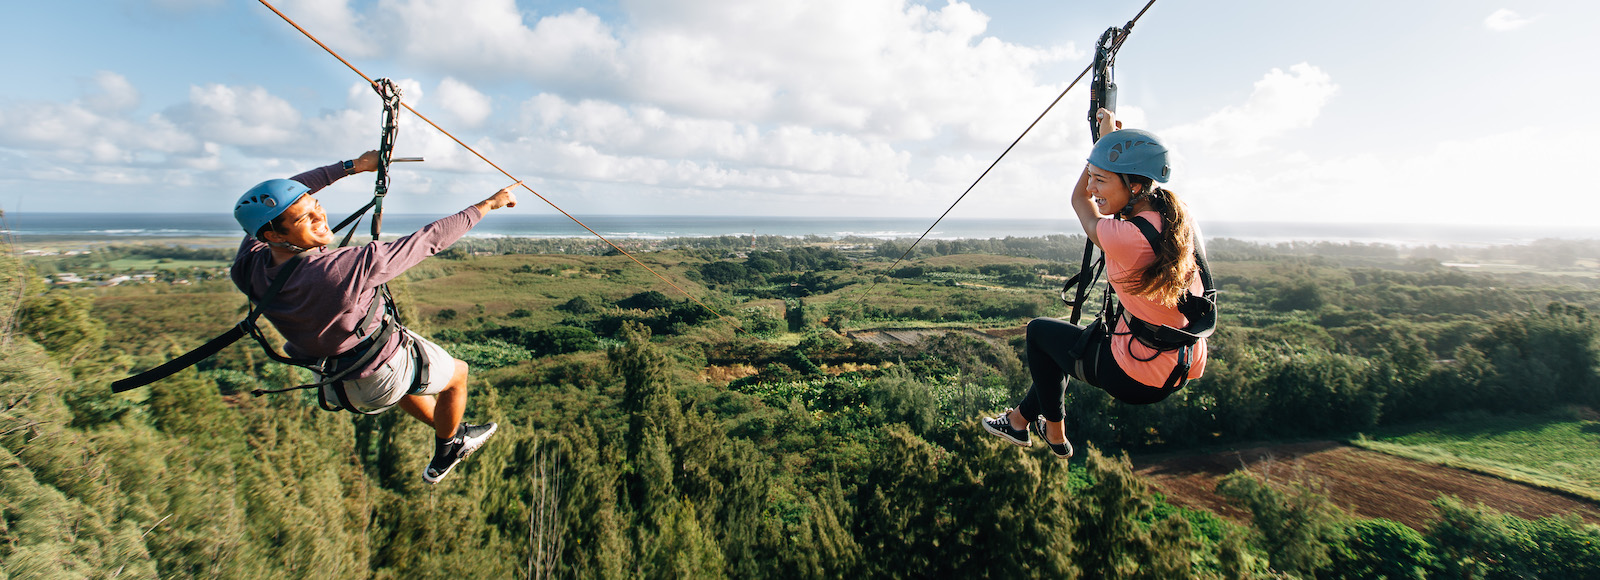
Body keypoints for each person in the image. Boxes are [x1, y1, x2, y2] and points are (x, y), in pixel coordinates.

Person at [231, 151, 519, 483]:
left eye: (316, 206)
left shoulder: (247, 266)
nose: (319, 216)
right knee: (458, 374)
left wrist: (352, 167)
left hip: (342, 381)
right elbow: (429, 241)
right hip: (381, 374)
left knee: (412, 385)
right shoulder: (339, 270)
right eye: (304, 219)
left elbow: (293, 188)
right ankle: (450, 447)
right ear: (274, 236)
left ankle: (446, 431)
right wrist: (488, 204)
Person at [981, 110, 1209, 458]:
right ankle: (1018, 421)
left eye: (1099, 179)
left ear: (1134, 185)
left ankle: (1054, 430)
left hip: (1135, 376)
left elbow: (1080, 203)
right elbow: (1111, 198)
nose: (1091, 186)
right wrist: (1106, 149)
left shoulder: (1128, 238)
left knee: (1040, 334)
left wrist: (1102, 144)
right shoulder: (1177, 217)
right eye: (1092, 177)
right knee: (1074, 345)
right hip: (1178, 362)